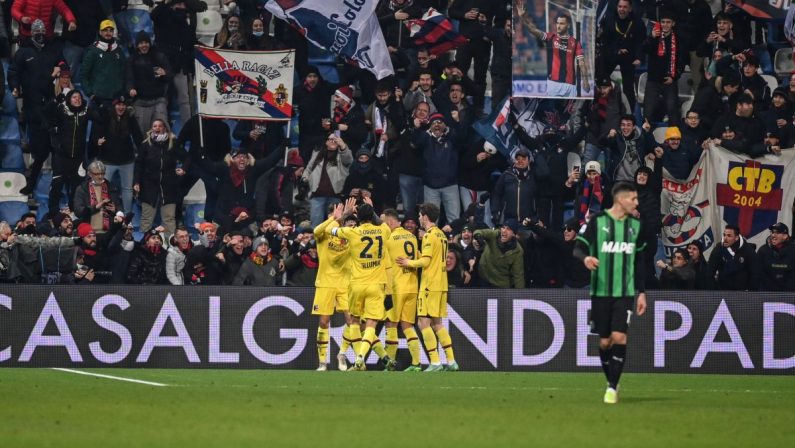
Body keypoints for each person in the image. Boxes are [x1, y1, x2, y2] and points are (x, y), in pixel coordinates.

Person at [574, 182, 647, 404]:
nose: (636, 203)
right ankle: (611, 381)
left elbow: (641, 261)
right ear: (620, 200)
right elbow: (578, 247)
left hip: (624, 291)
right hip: (600, 290)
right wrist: (586, 258)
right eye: (633, 199)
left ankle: (612, 388)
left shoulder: (637, 226)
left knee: (619, 336)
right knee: (605, 342)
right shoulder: (597, 221)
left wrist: (641, 292)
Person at [328, 198, 396, 372]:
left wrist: (344, 215)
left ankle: (360, 361)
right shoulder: (383, 230)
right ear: (372, 216)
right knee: (372, 324)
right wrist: (371, 209)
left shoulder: (353, 232)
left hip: (357, 284)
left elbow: (330, 230)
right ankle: (360, 358)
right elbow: (383, 224)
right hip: (376, 284)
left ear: (358, 217)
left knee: (355, 321)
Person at [396, 202, 458, 372]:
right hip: (441, 283)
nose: (418, 218)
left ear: (425, 216)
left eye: (419, 215)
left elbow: (426, 261)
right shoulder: (441, 235)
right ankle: (451, 361)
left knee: (423, 322)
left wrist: (409, 262)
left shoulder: (430, 236)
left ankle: (435, 362)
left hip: (430, 284)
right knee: (437, 323)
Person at [311, 204, 354, 371]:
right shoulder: (322, 235)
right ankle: (322, 362)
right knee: (324, 322)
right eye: (332, 215)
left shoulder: (347, 235)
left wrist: (344, 218)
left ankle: (342, 354)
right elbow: (315, 231)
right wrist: (335, 218)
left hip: (345, 283)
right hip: (325, 283)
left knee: (352, 321)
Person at [516, 6, 590, 97]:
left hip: (570, 85)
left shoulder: (575, 42)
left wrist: (585, 81)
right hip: (553, 84)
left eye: (562, 23)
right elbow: (532, 30)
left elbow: (581, 63)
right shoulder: (551, 37)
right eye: (557, 23)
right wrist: (523, 17)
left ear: (568, 25)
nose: (558, 26)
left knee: (569, 110)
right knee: (552, 110)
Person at [382, 208, 422, 371]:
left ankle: (390, 363)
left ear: (390, 222)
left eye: (384, 223)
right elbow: (418, 258)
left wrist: (387, 291)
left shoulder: (389, 239)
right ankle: (416, 363)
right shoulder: (412, 236)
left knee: (391, 324)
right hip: (412, 286)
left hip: (397, 288)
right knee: (407, 326)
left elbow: (386, 266)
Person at [133, 119, 186, 236]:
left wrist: (183, 168)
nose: (157, 128)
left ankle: (169, 246)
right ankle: (145, 245)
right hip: (148, 185)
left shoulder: (173, 143)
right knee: (147, 218)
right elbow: (139, 165)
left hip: (169, 186)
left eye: (160, 126)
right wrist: (136, 182)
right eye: (154, 126)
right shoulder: (145, 144)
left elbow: (187, 158)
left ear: (165, 128)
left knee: (169, 219)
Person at [92, 96, 144, 213]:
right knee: (102, 188)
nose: (121, 107)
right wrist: (97, 141)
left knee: (127, 189)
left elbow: (138, 137)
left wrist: (143, 151)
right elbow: (96, 134)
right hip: (107, 160)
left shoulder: (130, 118)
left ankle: (127, 216)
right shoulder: (106, 117)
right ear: (114, 106)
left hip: (127, 161)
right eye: (118, 105)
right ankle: (102, 214)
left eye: (123, 105)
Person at [302, 133, 353, 227]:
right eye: (330, 139)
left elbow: (349, 160)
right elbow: (308, 168)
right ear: (326, 141)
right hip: (317, 196)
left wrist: (343, 146)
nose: (333, 141)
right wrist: (306, 178)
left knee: (335, 225)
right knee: (316, 226)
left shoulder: (341, 155)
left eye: (335, 140)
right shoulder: (317, 154)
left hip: (335, 196)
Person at [126, 30, 172, 134]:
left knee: (162, 130)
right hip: (140, 102)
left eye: (146, 42)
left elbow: (169, 76)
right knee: (142, 134)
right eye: (141, 43)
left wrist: (165, 73)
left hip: (159, 100)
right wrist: (130, 89)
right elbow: (129, 78)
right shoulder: (131, 60)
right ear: (137, 45)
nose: (144, 45)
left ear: (149, 43)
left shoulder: (159, 57)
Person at [81, 20, 126, 108]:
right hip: (99, 98)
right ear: (100, 32)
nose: (108, 33)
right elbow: (83, 75)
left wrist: (122, 92)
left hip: (116, 98)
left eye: (110, 30)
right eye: (105, 30)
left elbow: (124, 71)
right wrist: (91, 95)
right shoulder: (93, 51)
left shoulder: (118, 50)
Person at [473, 219, 525, 288]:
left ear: (514, 234)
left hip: (500, 283)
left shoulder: (518, 250)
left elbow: (518, 276)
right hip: (484, 277)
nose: (504, 231)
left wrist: (520, 295)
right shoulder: (494, 234)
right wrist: (479, 237)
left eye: (508, 229)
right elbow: (478, 232)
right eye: (503, 227)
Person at [706, 224, 756, 290]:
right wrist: (714, 290)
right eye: (724, 235)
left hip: (743, 292)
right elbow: (710, 272)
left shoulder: (748, 250)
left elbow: (754, 273)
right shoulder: (718, 249)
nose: (725, 238)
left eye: (729, 236)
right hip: (722, 292)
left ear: (736, 238)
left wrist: (750, 291)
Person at [754, 223, 795, 291]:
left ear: (785, 236)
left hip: (788, 294)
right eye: (772, 232)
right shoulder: (763, 250)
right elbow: (757, 274)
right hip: (766, 293)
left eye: (777, 233)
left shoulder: (793, 251)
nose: (773, 235)